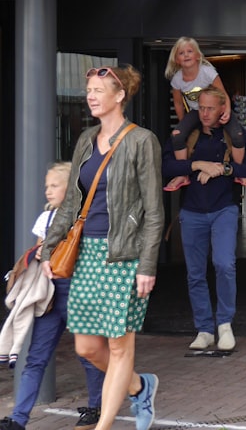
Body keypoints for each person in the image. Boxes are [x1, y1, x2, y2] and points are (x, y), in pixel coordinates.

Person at [39, 65, 164, 430]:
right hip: (87, 254)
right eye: (89, 90)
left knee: (121, 347)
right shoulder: (85, 140)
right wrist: (49, 248)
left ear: (120, 95)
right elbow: (70, 203)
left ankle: (104, 426)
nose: (90, 96)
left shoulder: (142, 141)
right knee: (87, 348)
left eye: (98, 90)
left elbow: (154, 210)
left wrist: (148, 265)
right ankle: (141, 386)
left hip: (125, 255)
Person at [0, 163, 105, 430]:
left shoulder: (84, 216)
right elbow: (37, 251)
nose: (48, 191)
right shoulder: (44, 219)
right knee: (36, 357)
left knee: (88, 353)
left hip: (77, 289)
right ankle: (18, 419)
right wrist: (35, 254)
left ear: (69, 188)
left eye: (54, 185)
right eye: (46, 186)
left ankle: (96, 407)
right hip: (48, 295)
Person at [161, 87, 246, 352]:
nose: (204, 113)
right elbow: (166, 166)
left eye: (210, 108)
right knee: (195, 273)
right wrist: (197, 165)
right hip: (192, 212)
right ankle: (204, 328)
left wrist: (223, 169)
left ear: (222, 110)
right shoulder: (188, 135)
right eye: (200, 108)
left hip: (223, 209)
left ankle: (224, 323)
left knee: (224, 264)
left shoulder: (232, 136)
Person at [164, 37, 245, 165]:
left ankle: (239, 170)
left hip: (217, 108)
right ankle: (183, 172)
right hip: (196, 110)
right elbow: (178, 103)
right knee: (177, 136)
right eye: (181, 53)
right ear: (176, 59)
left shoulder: (208, 72)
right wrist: (183, 122)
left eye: (189, 51)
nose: (186, 55)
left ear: (197, 55)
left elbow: (223, 93)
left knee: (238, 135)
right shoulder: (177, 79)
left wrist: (227, 111)